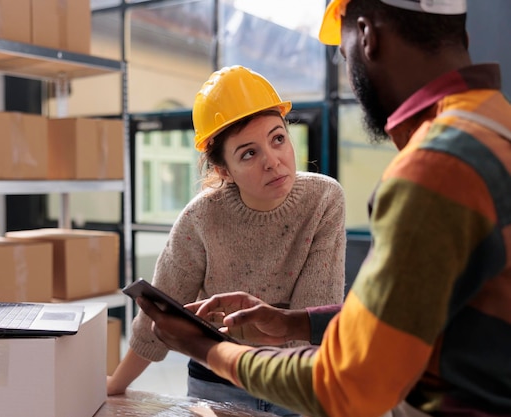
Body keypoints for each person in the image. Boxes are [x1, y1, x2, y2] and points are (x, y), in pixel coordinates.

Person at [136, 0, 511, 416]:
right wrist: (294, 323)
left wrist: (205, 348)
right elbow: (417, 313)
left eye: (344, 51)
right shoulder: (496, 128)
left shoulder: (434, 169)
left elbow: (347, 384)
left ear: (367, 37)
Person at [107, 65, 347, 416]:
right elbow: (156, 315)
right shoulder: (201, 217)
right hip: (216, 382)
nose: (273, 161)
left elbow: (312, 317)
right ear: (223, 170)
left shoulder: (324, 199)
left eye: (278, 138)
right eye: (249, 153)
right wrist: (116, 385)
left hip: (293, 382)